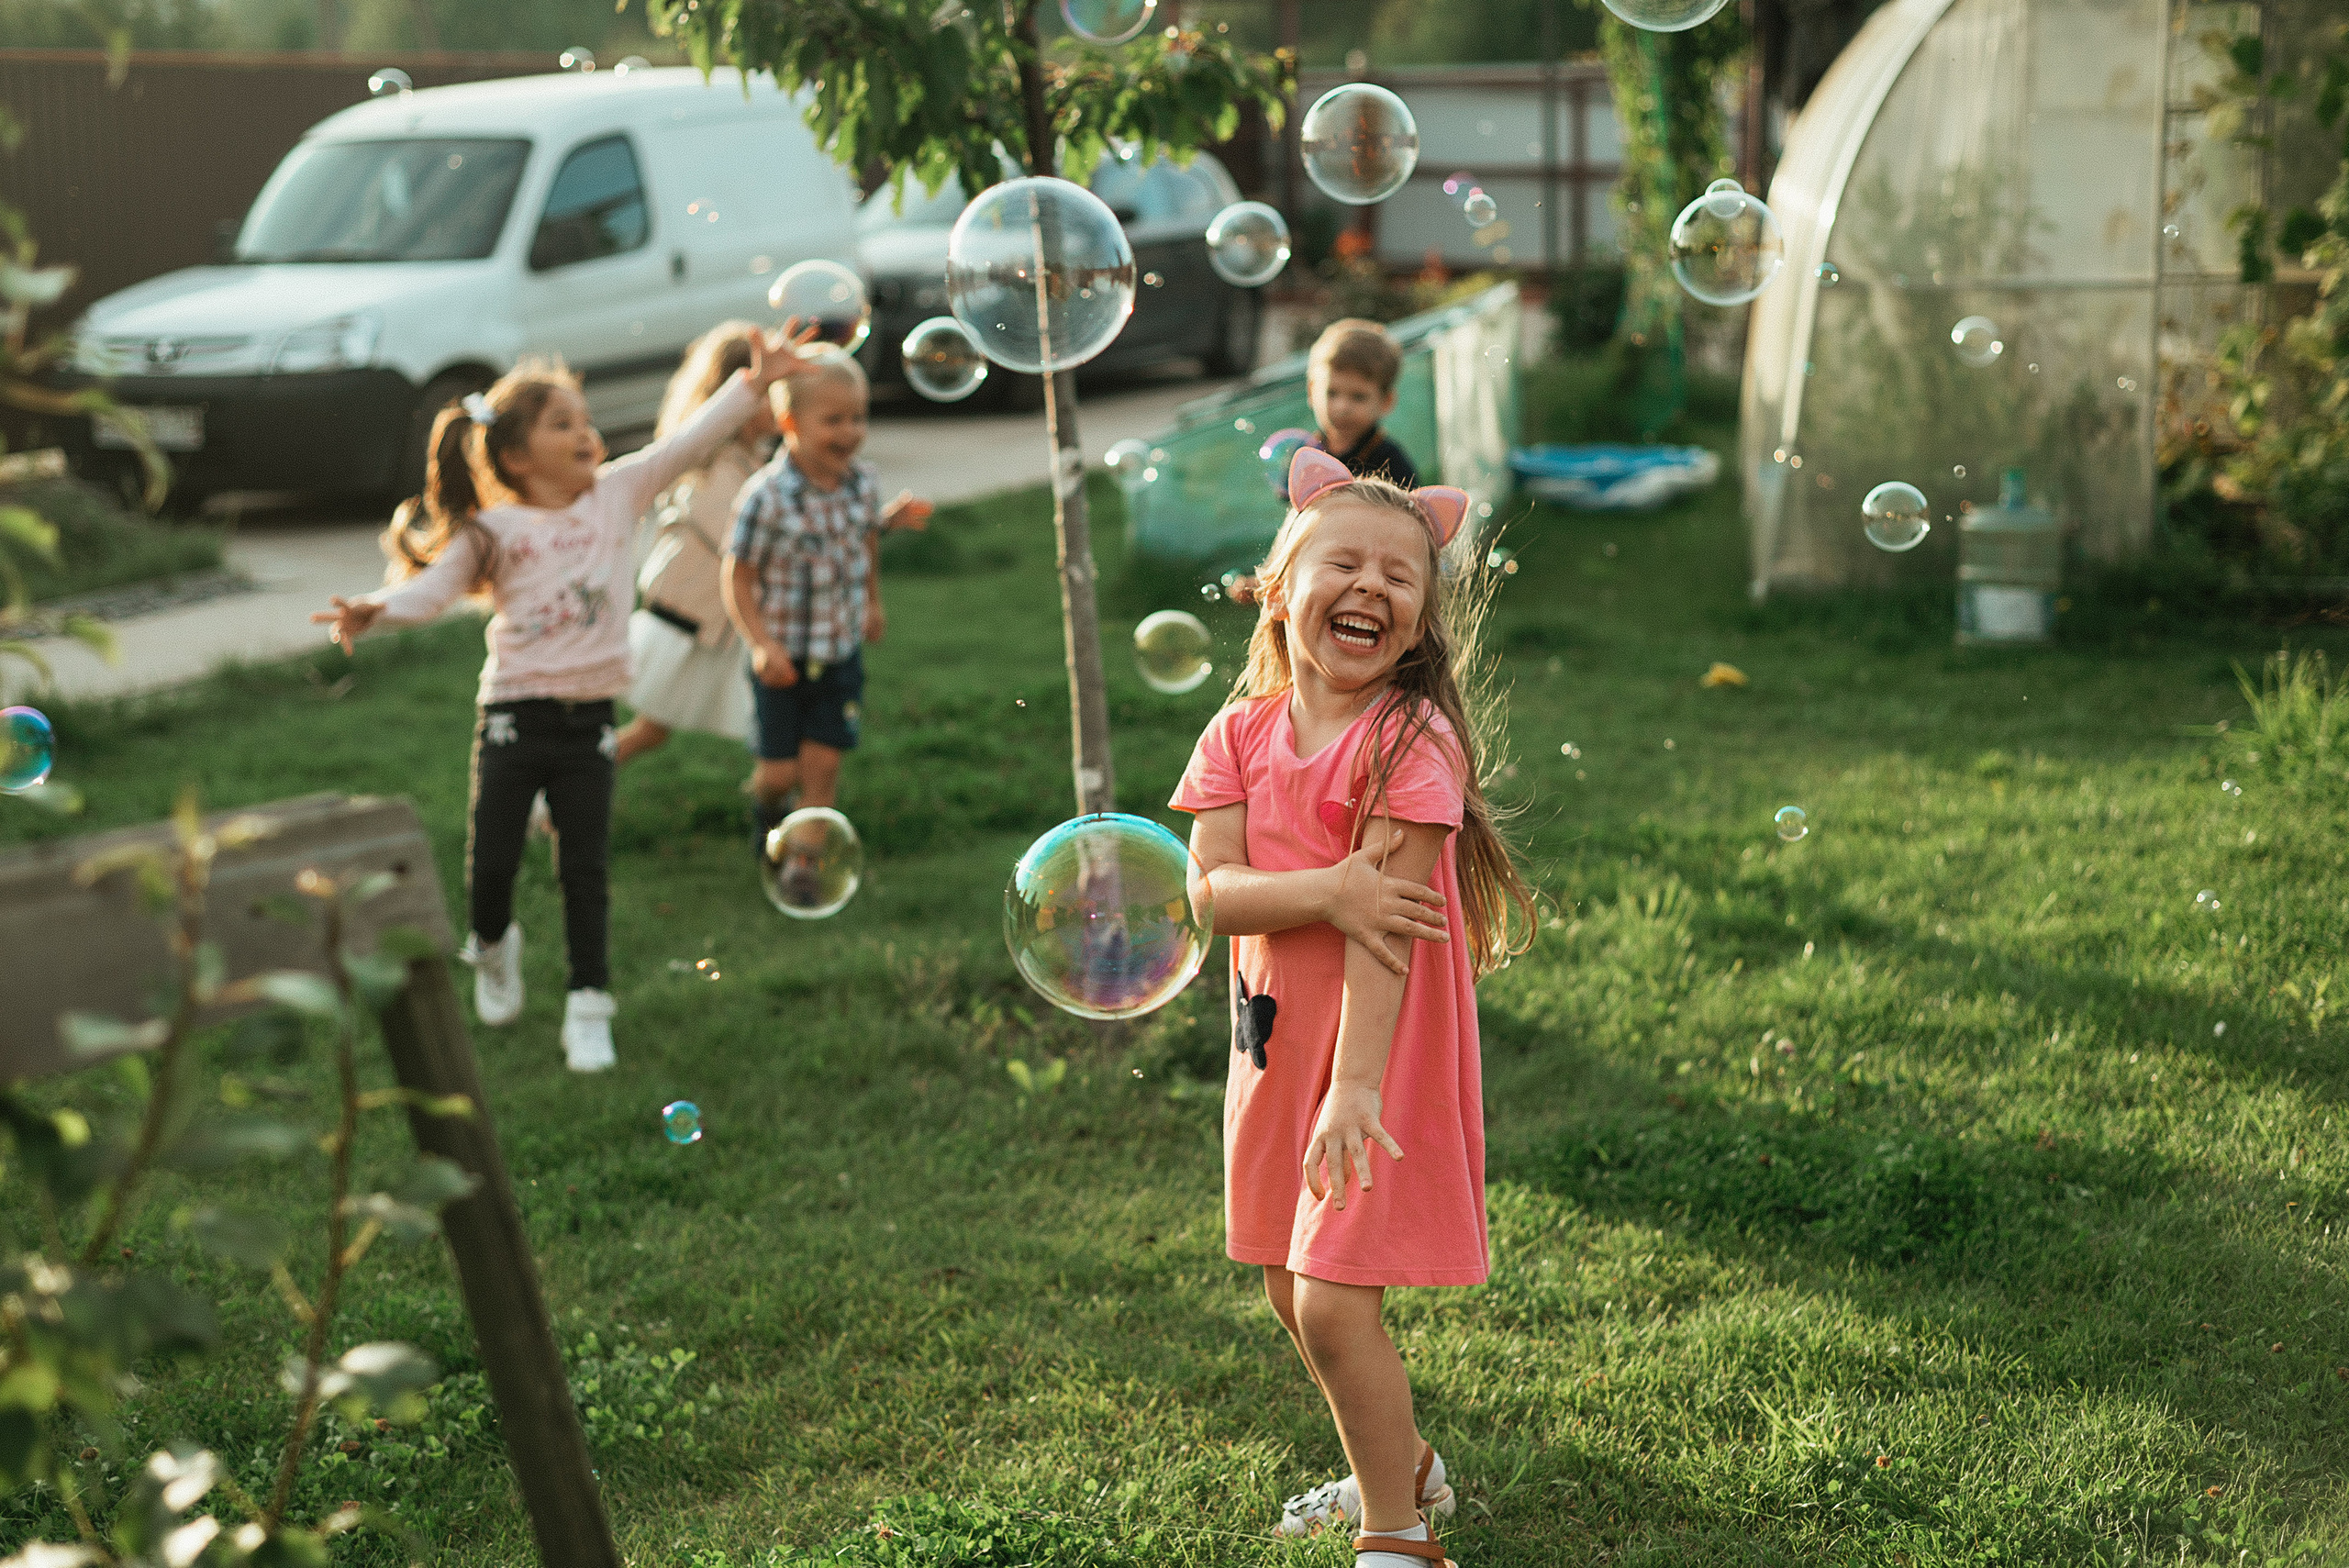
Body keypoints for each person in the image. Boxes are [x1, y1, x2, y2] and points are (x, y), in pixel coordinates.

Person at [1169, 445, 1533, 1568]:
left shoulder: (1411, 741)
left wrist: (1356, 1086)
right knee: (1290, 1288)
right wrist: (1326, 888)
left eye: (1398, 574)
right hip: (1275, 1053)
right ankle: (1404, 1465)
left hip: (1373, 1061)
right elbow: (1206, 893)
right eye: (1343, 563)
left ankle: (1397, 1535)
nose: (1369, 585)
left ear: (1419, 625)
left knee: (1333, 1304)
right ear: (1279, 592)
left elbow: (1386, 932)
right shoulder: (1238, 733)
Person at [312, 327, 817, 1071]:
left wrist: (751, 385)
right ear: (517, 456)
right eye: (562, 424)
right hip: (513, 718)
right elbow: (433, 590)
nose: (585, 433)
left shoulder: (618, 493)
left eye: (585, 420)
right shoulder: (493, 531)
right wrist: (374, 610)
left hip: (589, 725)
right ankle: (492, 947)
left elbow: (686, 443)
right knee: (492, 866)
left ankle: (589, 1005)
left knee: (585, 871)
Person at [721, 353, 931, 881]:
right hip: (782, 661)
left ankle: (803, 871)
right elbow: (738, 576)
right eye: (833, 420)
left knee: (823, 768)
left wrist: (873, 600)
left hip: (838, 653)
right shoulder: (765, 497)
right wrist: (761, 643)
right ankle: (768, 809)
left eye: (858, 417)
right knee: (778, 773)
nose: (850, 432)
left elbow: (862, 539)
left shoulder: (862, 482)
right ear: (789, 422)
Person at [613, 322, 774, 764]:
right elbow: (743, 542)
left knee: (652, 732)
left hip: (709, 624)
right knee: (649, 730)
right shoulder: (718, 468)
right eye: (771, 391)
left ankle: (780, 789)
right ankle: (562, 788)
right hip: (681, 620)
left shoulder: (750, 462)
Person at [1308, 318, 1420, 488]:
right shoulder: (1306, 454)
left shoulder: (1390, 464)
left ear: (1386, 401)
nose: (1342, 407)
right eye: (1331, 393)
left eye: (1358, 397)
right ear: (1311, 391)